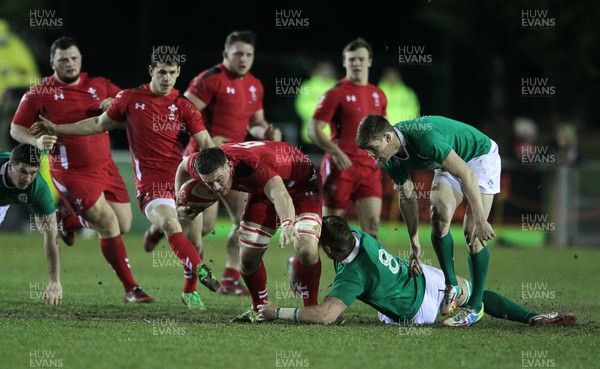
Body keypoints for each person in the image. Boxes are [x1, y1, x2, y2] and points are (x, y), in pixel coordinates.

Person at [29, 47, 220, 309]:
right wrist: (57, 128)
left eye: (172, 73)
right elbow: (97, 124)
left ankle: (189, 290)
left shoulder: (183, 106)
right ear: (152, 71)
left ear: (178, 73)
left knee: (196, 239)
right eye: (162, 72)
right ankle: (202, 270)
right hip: (150, 186)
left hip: (179, 181)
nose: (167, 78)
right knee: (170, 223)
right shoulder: (130, 99)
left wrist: (222, 170)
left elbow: (206, 143)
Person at [11, 37, 153, 303]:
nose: (70, 63)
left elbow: (125, 107)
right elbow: (15, 128)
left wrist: (114, 105)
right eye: (63, 59)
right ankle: (131, 289)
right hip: (70, 172)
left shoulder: (99, 85)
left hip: (106, 167)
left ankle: (69, 219)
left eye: (74, 58)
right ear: (52, 62)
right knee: (108, 225)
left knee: (123, 224)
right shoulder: (39, 93)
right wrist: (36, 140)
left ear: (81, 59)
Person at [144, 30, 282, 296]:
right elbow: (181, 112)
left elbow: (255, 123)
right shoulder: (210, 79)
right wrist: (206, 137)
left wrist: (266, 132)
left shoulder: (255, 85)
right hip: (204, 163)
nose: (243, 59)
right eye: (238, 53)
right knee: (204, 227)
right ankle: (161, 225)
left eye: (248, 54)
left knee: (245, 219)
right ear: (225, 54)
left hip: (233, 165)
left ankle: (230, 277)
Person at [258, 216, 576, 327]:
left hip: (416, 310)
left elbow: (327, 315)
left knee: (382, 312)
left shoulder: (351, 275)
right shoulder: (355, 233)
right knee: (474, 296)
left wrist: (278, 312)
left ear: (327, 250)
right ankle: (530, 316)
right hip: (426, 277)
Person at [355, 114, 499, 327]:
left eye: (372, 148)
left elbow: (467, 174)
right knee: (439, 216)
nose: (371, 155)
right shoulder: (389, 160)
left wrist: (480, 219)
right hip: (450, 159)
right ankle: (452, 285)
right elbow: (408, 197)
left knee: (472, 232)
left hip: (479, 156)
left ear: (387, 137)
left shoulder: (424, 138)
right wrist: (414, 245)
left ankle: (475, 306)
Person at [175, 142, 322, 322]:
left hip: (301, 186)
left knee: (306, 248)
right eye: (209, 183)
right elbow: (182, 167)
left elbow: (280, 194)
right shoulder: (200, 164)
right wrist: (179, 203)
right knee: (247, 257)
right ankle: (260, 308)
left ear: (229, 165)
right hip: (262, 191)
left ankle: (311, 308)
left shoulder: (254, 165)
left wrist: (288, 223)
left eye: (219, 179)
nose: (216, 188)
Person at [308, 38, 387, 237]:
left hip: (369, 168)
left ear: (369, 61)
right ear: (344, 62)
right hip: (340, 167)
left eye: (361, 59)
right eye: (352, 59)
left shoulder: (378, 94)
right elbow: (313, 129)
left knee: (372, 228)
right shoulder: (335, 93)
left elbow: (384, 130)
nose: (357, 63)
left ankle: (366, 269)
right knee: (333, 230)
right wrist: (335, 151)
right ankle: (305, 264)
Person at [0, 144, 62, 304]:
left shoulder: (38, 189)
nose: (27, 178)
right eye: (22, 171)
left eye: (33, 172)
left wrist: (54, 281)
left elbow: (51, 235)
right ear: (10, 166)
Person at [294, 61, 336, 146]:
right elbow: (301, 105)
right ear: (317, 70)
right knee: (311, 158)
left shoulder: (338, 86)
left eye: (328, 70)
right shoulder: (308, 86)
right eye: (323, 69)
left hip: (334, 137)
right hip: (312, 136)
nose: (326, 72)